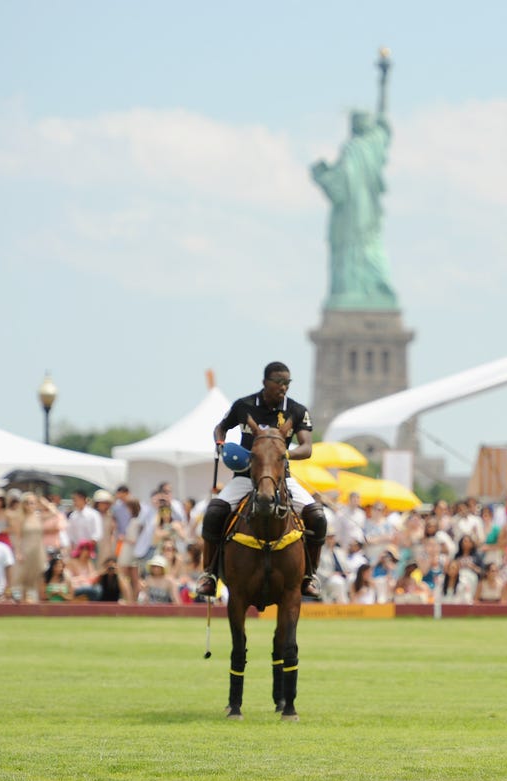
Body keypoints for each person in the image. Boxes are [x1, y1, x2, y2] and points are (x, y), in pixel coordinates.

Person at [195, 362, 326, 599]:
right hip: (246, 476)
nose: (283, 387)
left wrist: (285, 454)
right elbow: (221, 428)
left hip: (280, 479)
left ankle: (310, 575)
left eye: (287, 383)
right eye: (278, 382)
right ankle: (210, 574)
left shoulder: (296, 411)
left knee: (317, 516)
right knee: (214, 511)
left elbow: (307, 447)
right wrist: (220, 443)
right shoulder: (244, 406)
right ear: (265, 382)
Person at [310, 50, 398, 311]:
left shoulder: (367, 145)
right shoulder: (356, 148)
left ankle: (370, 289)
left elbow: (384, 119)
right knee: (352, 251)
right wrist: (325, 177)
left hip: (362, 215)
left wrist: (384, 81)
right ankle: (352, 290)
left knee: (366, 250)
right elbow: (337, 189)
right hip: (350, 217)